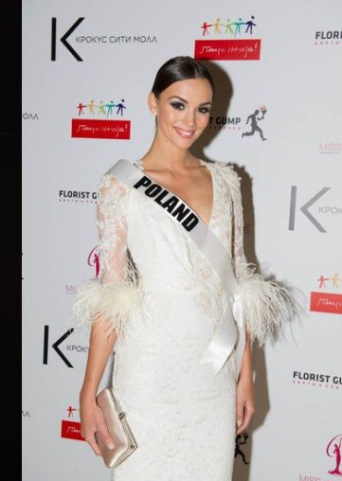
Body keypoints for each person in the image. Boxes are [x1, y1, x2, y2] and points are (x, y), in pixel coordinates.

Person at [73, 56, 294, 480]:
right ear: (152, 103)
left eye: (202, 109)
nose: (190, 120)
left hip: (212, 374)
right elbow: (112, 297)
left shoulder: (227, 181)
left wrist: (245, 376)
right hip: (148, 372)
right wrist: (88, 391)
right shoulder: (120, 184)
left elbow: (238, 286)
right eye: (178, 104)